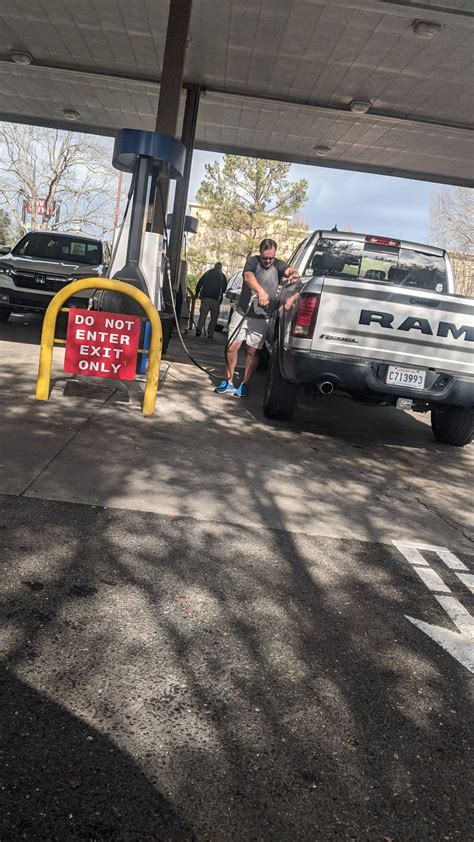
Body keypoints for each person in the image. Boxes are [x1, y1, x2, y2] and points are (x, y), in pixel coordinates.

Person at [214, 238, 299, 397]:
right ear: (260, 253)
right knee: (232, 347)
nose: (268, 261)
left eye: (271, 258)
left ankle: (244, 384)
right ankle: (229, 380)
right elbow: (248, 277)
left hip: (261, 317)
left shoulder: (278, 265)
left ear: (275, 255)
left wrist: (294, 275)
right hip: (243, 313)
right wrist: (260, 291)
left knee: (253, 352)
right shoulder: (252, 262)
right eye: (265, 257)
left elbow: (291, 272)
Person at [195, 262, 227, 339]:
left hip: (205, 297)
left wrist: (197, 292)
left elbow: (200, 283)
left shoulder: (208, 273)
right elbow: (224, 288)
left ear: (214, 266)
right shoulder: (222, 276)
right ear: (220, 267)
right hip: (215, 299)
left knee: (203, 315)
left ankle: (199, 330)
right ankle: (210, 333)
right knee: (214, 317)